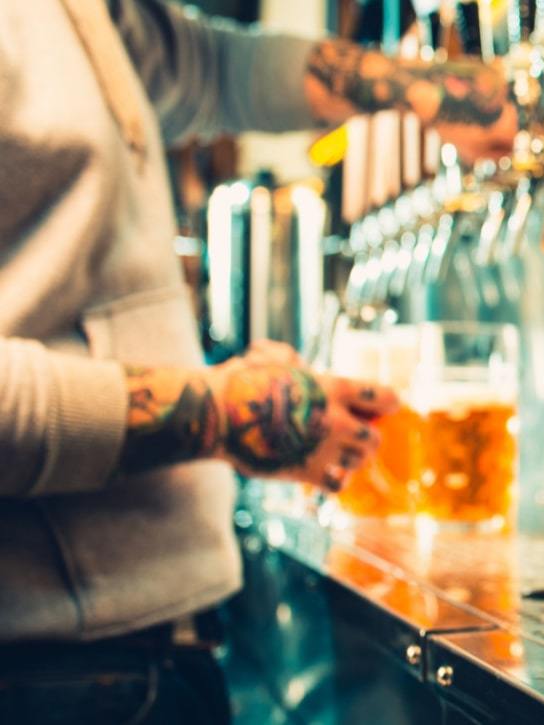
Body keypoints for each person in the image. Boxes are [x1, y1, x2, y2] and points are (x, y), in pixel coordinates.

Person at [0, 1, 516, 722]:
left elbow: (202, 67)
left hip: (138, 648)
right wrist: (225, 411)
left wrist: (418, 84)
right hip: (54, 671)